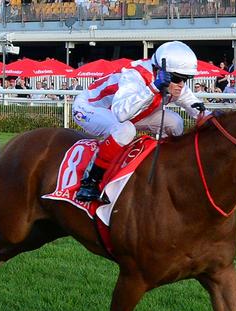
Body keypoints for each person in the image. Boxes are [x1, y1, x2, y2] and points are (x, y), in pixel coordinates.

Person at [72, 41, 205, 202]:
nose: (181, 85)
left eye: (186, 79)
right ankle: (90, 183)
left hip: (131, 113)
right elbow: (121, 113)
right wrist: (154, 88)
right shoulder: (135, 75)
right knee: (125, 130)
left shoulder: (175, 84)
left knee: (175, 123)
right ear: (160, 71)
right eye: (177, 78)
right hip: (91, 107)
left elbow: (200, 112)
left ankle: (164, 170)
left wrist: (216, 119)